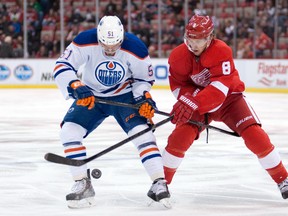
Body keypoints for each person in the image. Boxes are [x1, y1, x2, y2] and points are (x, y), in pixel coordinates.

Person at [162, 14, 288, 200]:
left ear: (210, 37)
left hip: (229, 100)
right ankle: (161, 183)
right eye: (190, 39)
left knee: (254, 135)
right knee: (179, 137)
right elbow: (177, 86)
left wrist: (191, 100)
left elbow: (219, 91)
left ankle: (283, 178)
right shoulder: (177, 57)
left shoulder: (221, 51)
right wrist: (188, 99)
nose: (194, 44)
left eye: (200, 39)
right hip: (198, 103)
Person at [53, 15, 170, 208]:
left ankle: (159, 182)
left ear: (122, 38)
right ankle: (81, 182)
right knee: (69, 132)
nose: (109, 50)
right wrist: (75, 84)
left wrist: (143, 99)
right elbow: (62, 65)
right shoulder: (84, 41)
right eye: (105, 45)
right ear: (98, 38)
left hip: (124, 96)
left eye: (114, 46)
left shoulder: (136, 48)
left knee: (143, 134)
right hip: (92, 96)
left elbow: (143, 80)